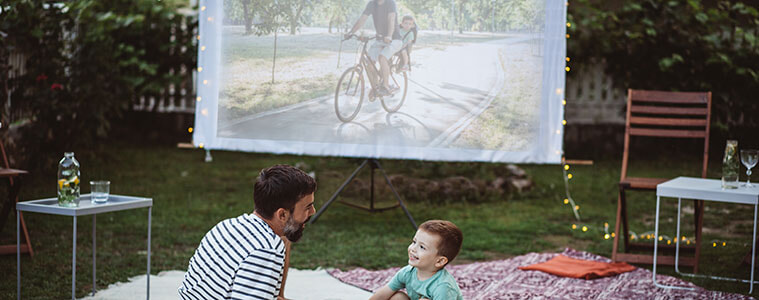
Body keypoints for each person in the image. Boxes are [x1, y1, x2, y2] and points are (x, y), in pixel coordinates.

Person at [178, 164, 317, 300]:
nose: (313, 212)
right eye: (307, 207)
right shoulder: (267, 249)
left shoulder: (227, 225)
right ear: (282, 215)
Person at [370, 220, 464, 300]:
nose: (413, 249)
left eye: (422, 247)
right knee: (398, 297)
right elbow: (384, 292)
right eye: (414, 242)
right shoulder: (407, 272)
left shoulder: (443, 287)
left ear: (440, 261)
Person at [345, 0, 403, 96]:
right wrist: (351, 32)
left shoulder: (390, 2)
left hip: (394, 39)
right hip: (380, 39)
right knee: (369, 64)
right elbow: (362, 19)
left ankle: (386, 86)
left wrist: (389, 35)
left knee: (382, 57)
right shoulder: (372, 4)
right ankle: (376, 87)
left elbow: (391, 19)